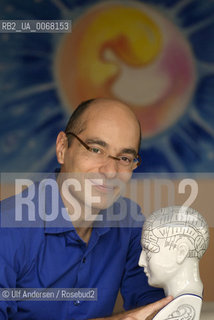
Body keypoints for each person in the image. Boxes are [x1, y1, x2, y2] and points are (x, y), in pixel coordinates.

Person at [0, 98, 172, 320]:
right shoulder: (9, 230)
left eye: (124, 157)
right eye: (95, 149)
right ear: (62, 148)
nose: (110, 172)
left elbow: (157, 309)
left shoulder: (129, 223)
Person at [138, 206, 209, 320]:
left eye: (149, 250)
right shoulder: (177, 307)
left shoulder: (182, 310)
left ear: (181, 252)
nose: (140, 262)